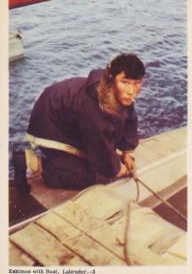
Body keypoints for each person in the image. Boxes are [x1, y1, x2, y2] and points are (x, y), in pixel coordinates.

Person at [12, 53, 145, 195]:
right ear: (112, 80)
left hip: (68, 117)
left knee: (100, 150)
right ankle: (30, 162)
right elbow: (99, 143)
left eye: (136, 83)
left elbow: (129, 119)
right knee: (85, 177)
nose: (131, 91)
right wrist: (117, 170)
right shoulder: (94, 110)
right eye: (124, 82)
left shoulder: (121, 94)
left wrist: (127, 150)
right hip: (49, 125)